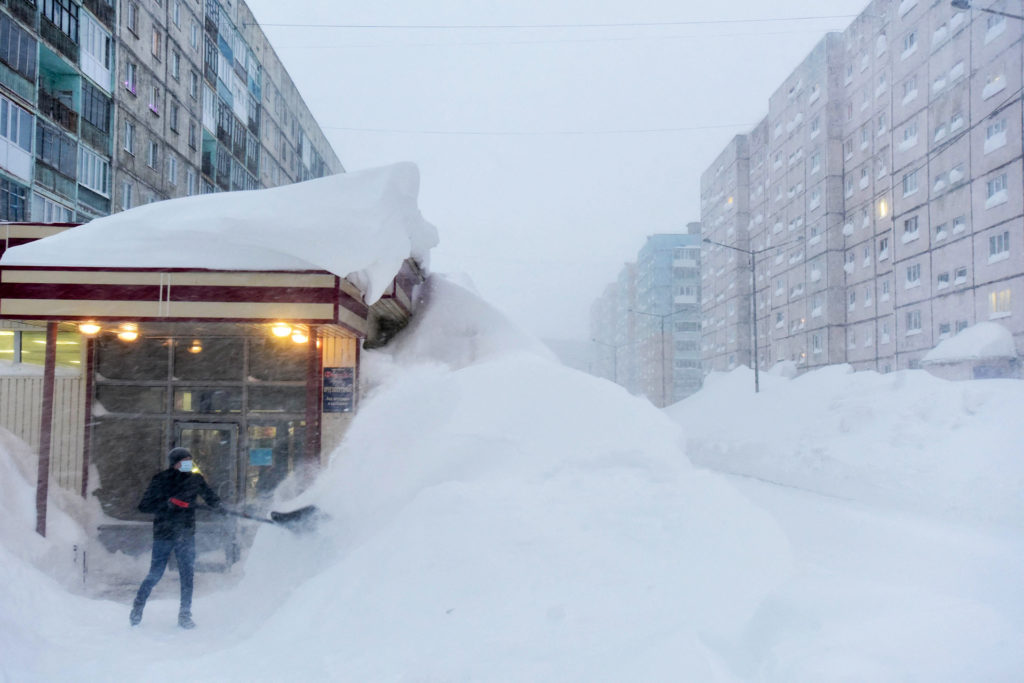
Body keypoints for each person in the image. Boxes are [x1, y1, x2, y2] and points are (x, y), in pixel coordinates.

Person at [130, 447, 220, 629]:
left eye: (190, 459)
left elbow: (212, 499)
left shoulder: (196, 479)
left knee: (187, 575)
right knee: (155, 574)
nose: (188, 463)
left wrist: (221, 507)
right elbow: (144, 506)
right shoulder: (161, 479)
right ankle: (138, 606)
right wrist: (168, 504)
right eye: (184, 460)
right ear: (175, 463)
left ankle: (185, 614)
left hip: (186, 534)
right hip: (164, 533)